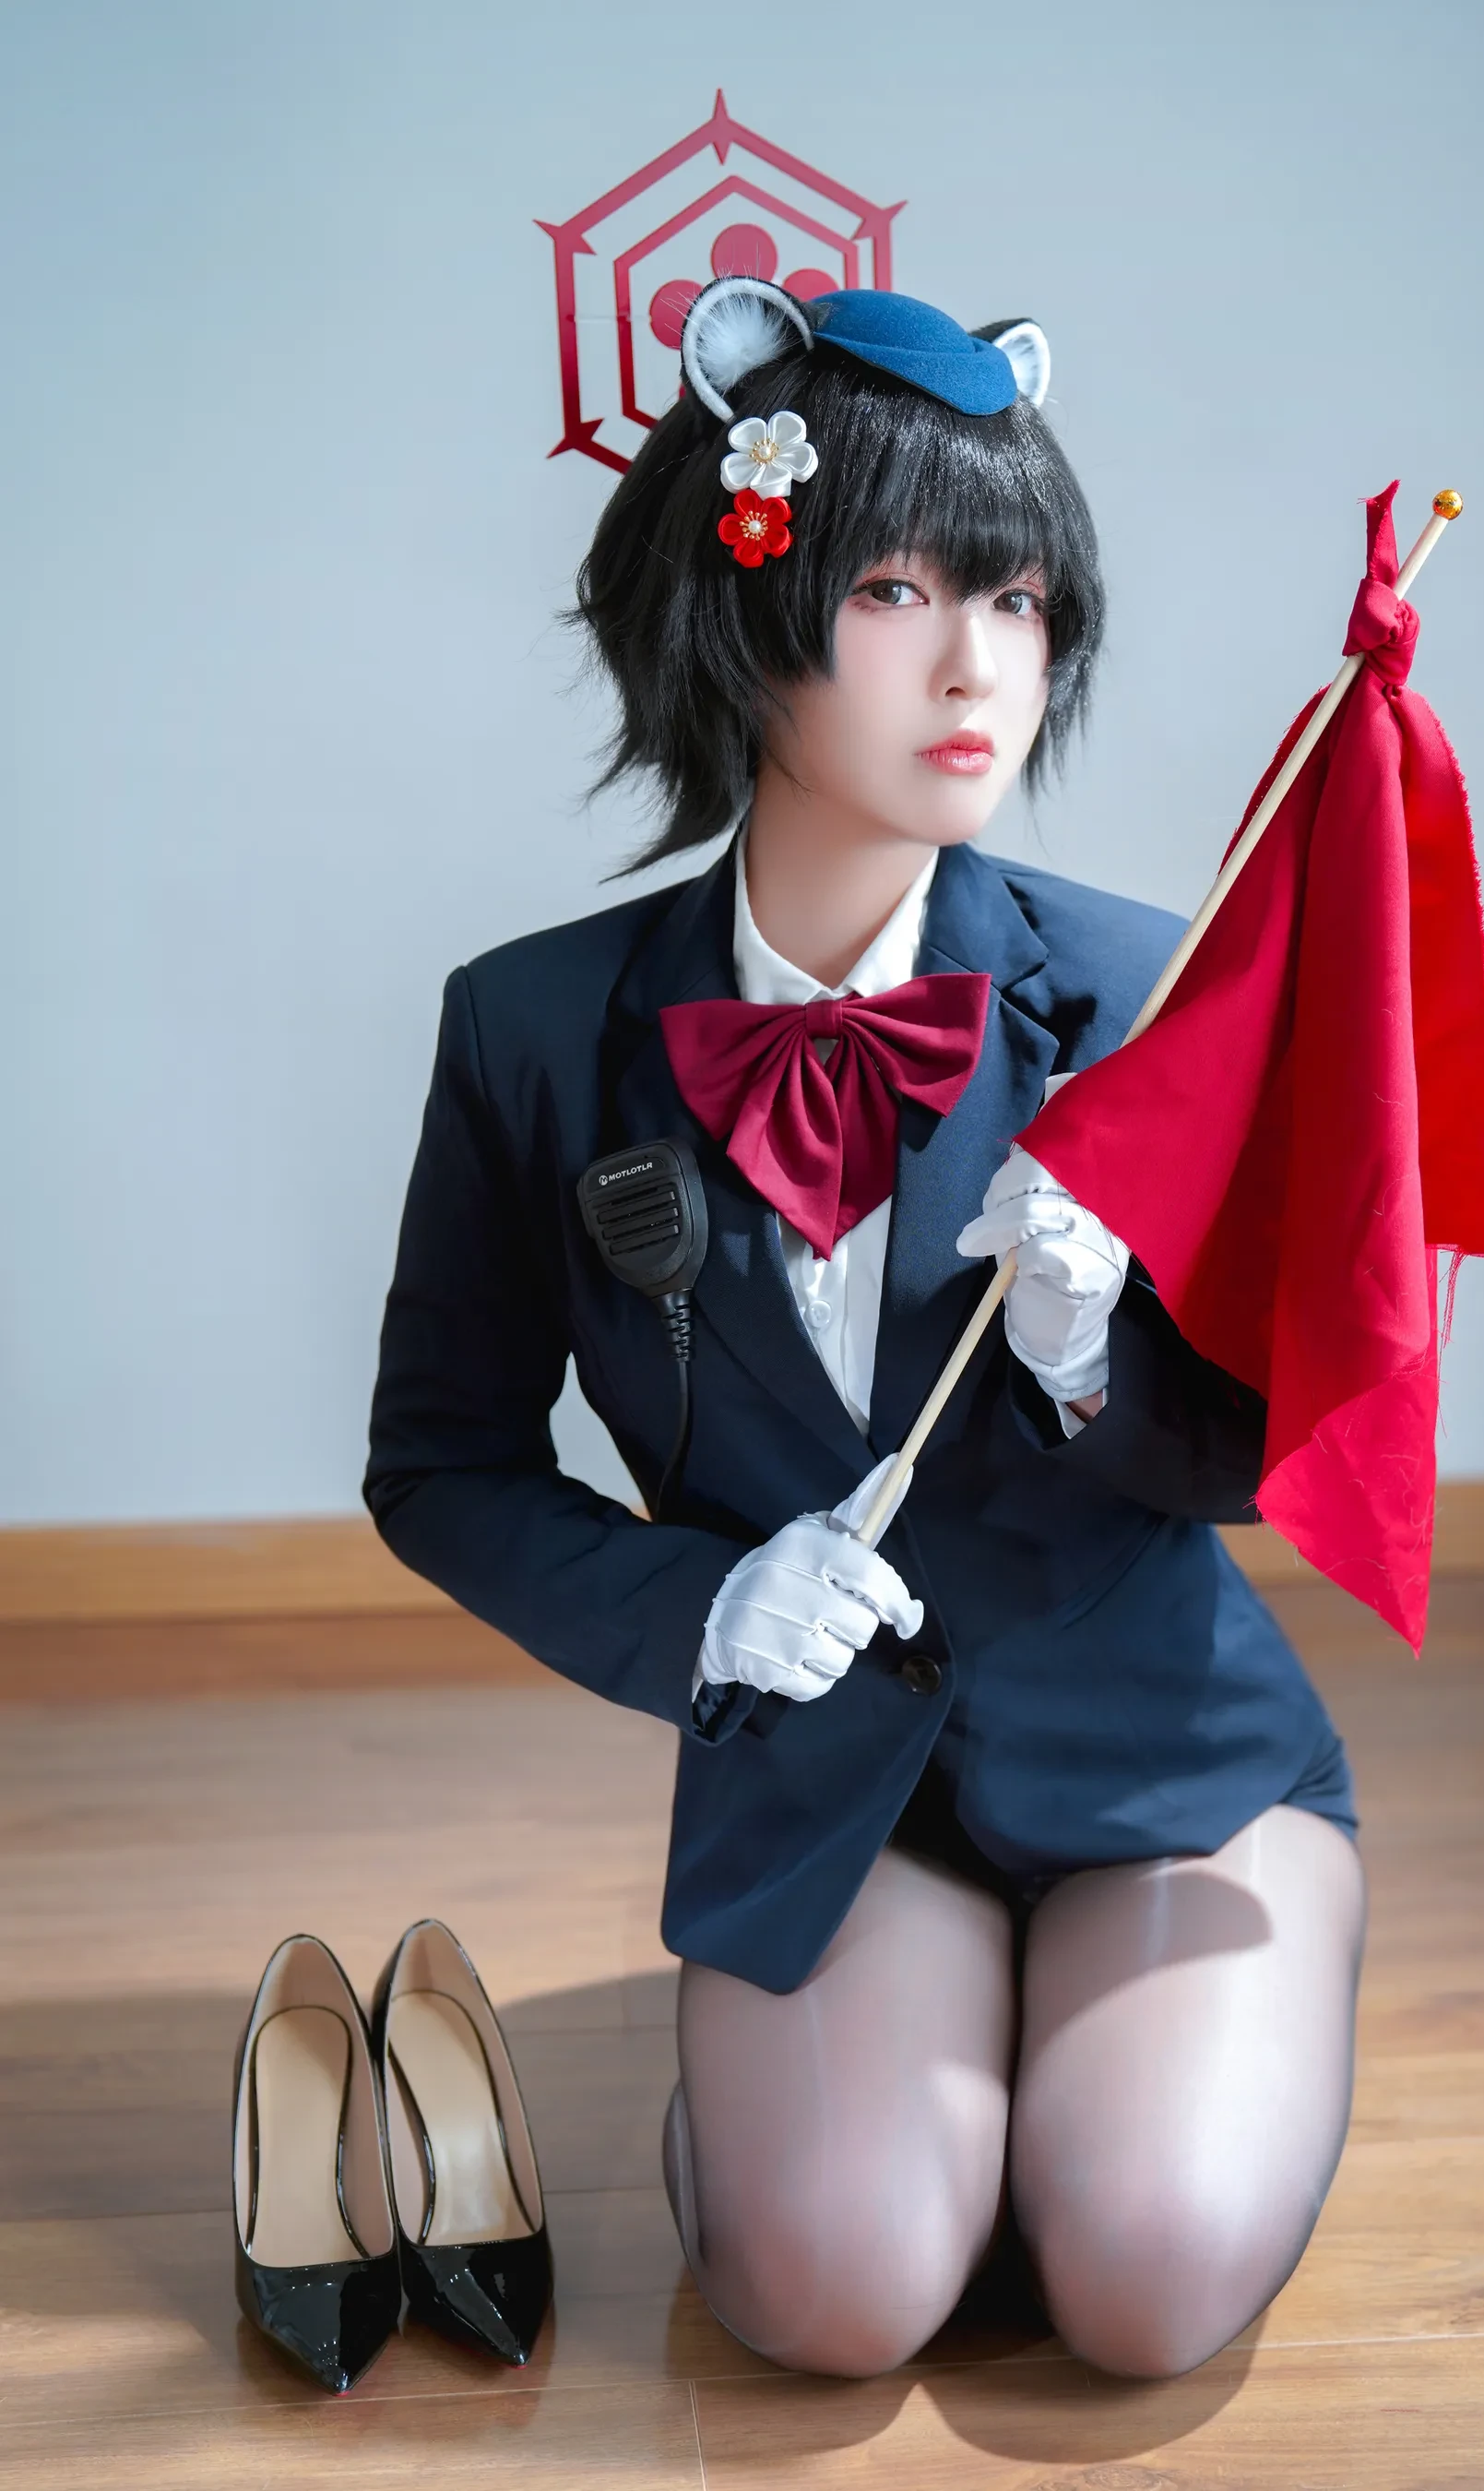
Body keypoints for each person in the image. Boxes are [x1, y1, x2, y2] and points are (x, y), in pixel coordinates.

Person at [364, 280, 1366, 2380]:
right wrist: (703, 1610)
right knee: (830, 2301)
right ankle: (842, 2127)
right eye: (900, 590)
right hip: (830, 1792)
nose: (978, 662)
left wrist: (1091, 1357)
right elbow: (438, 1463)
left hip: (1161, 1764)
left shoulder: (1144, 998)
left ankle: (1080, 2105)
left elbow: (1267, 1442)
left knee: (1149, 2282)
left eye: (1018, 599)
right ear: (744, 613)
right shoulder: (534, 1033)